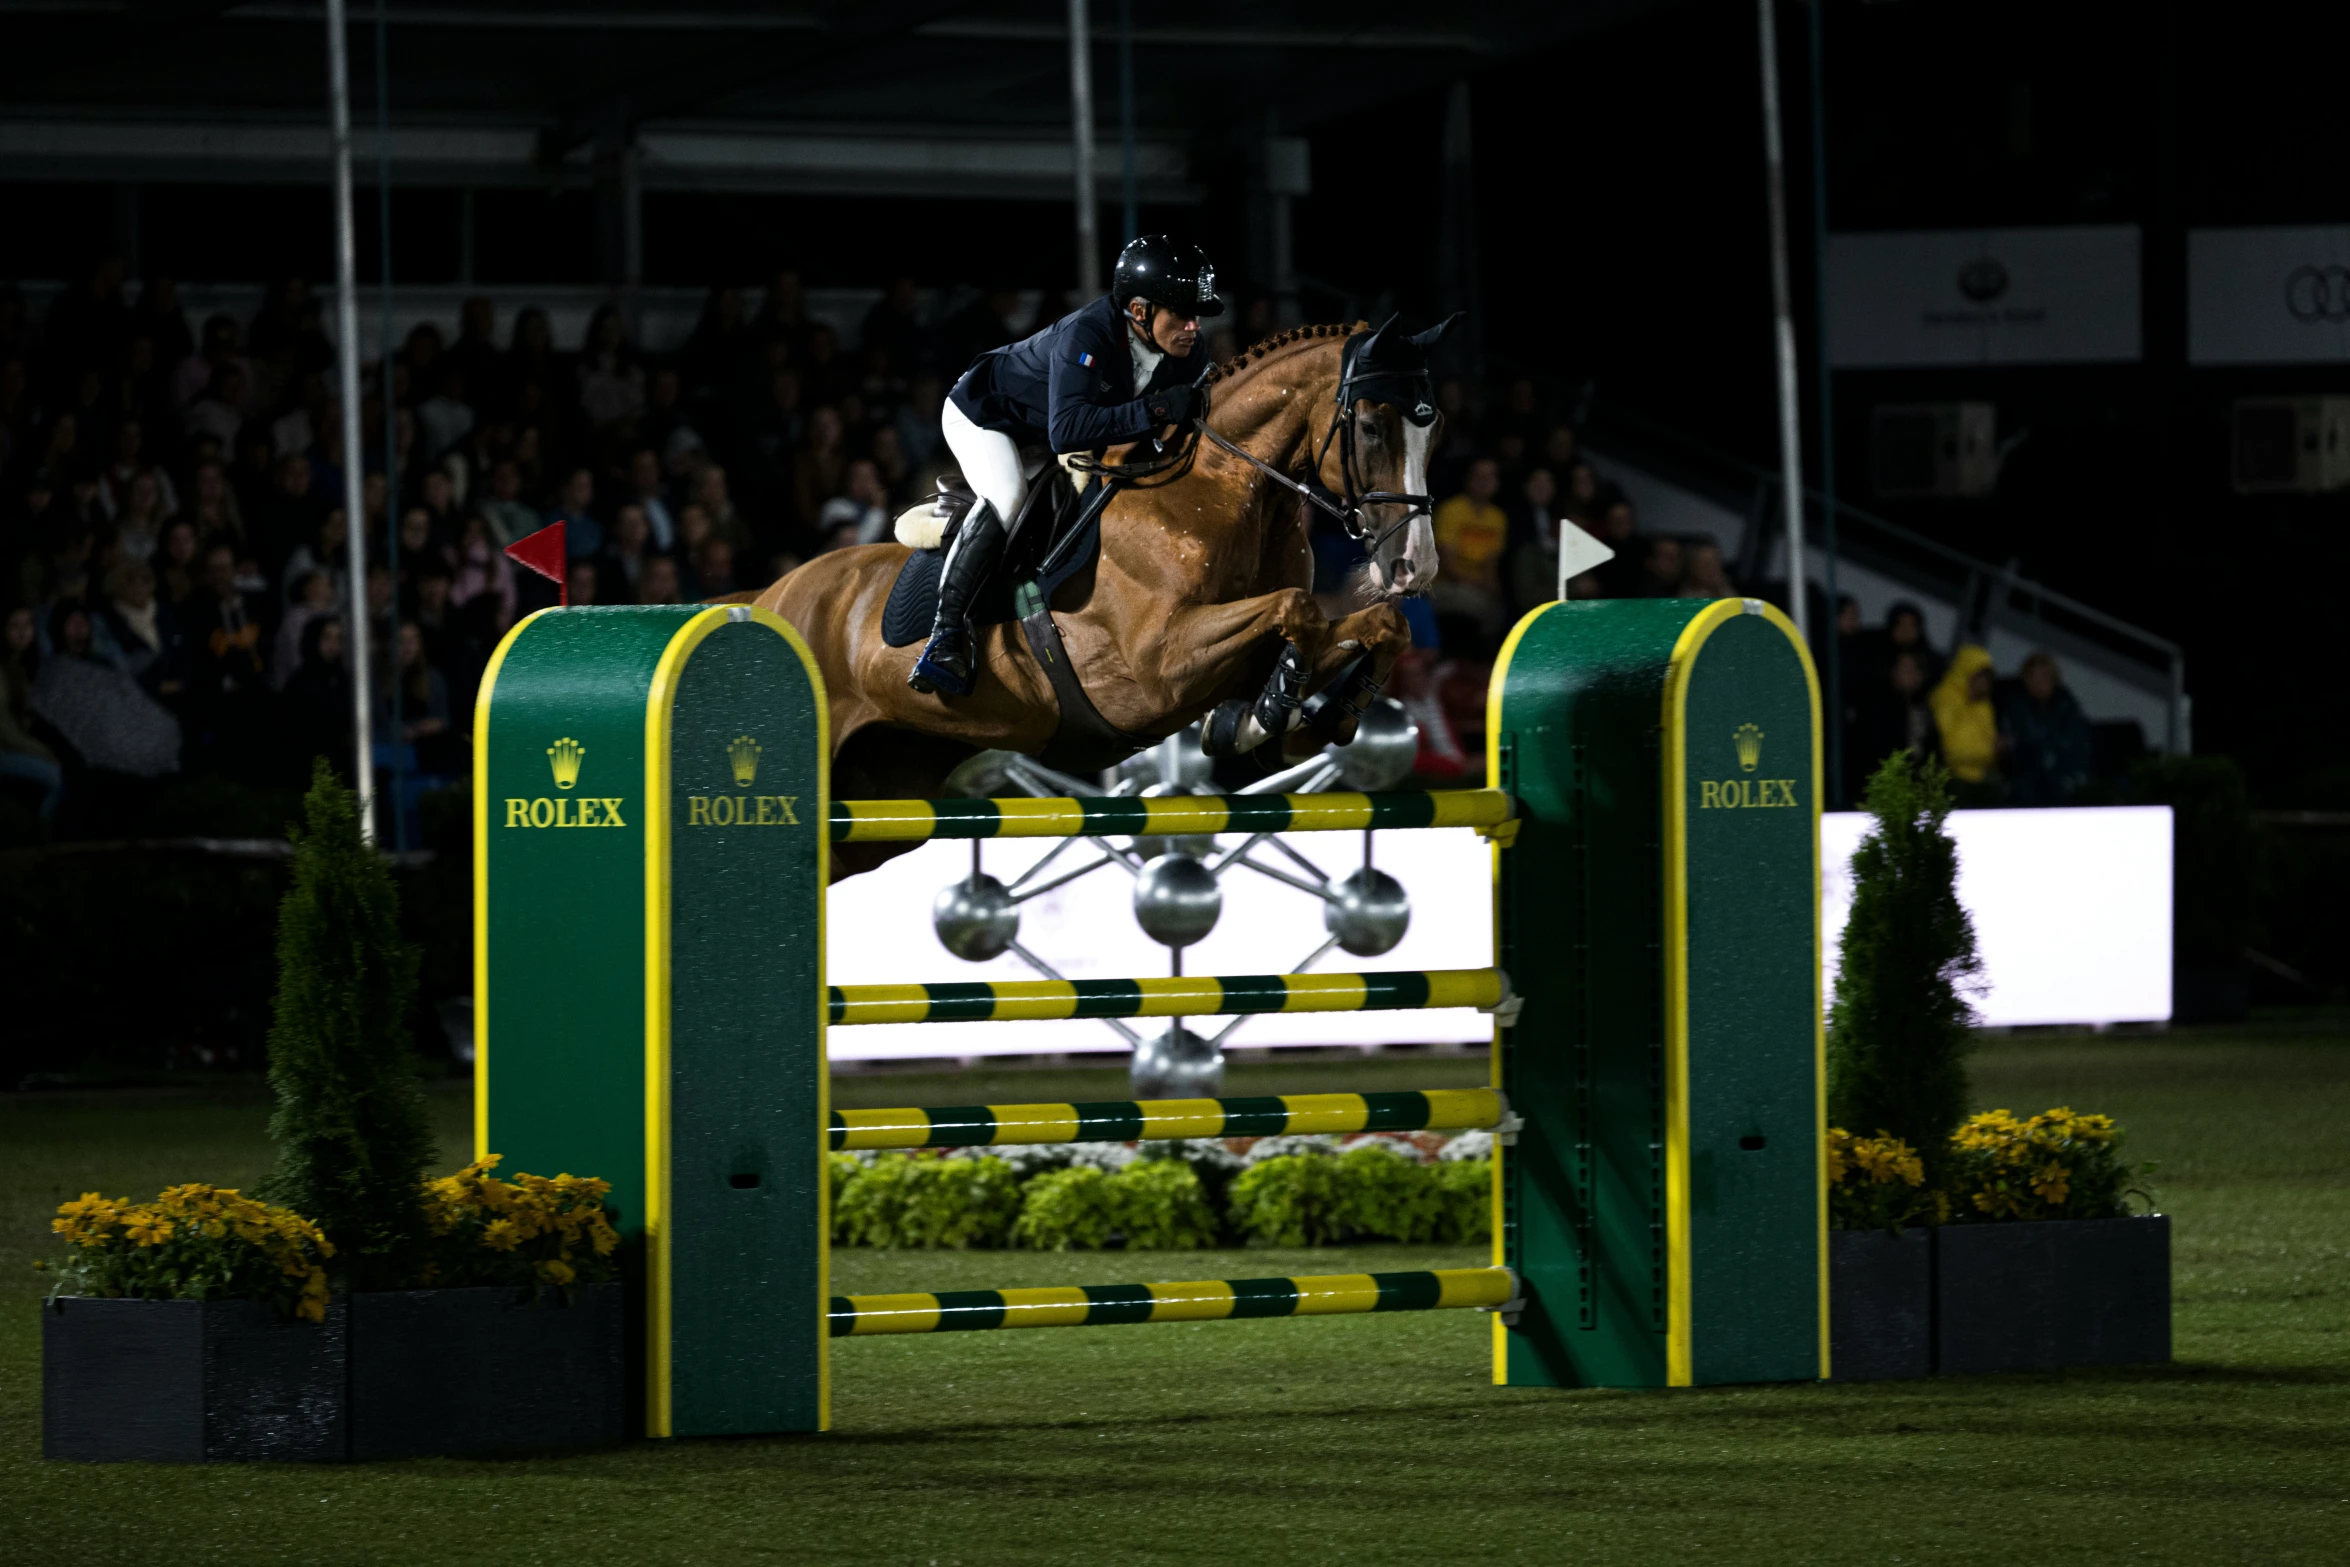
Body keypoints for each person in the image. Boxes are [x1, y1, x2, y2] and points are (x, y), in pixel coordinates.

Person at [914, 234, 1220, 696]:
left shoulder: (1186, 349)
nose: (1193, 326)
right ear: (1139, 311)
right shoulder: (1090, 333)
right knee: (1009, 497)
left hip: (1046, 427)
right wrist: (1157, 411)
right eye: (1180, 313)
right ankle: (945, 636)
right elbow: (1070, 430)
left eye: (1196, 315)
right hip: (988, 416)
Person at [2001, 651, 2094, 806]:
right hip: (2028, 782)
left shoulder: (2068, 708)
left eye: (2044, 676)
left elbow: (2078, 747)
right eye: (2033, 677)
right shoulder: (2016, 708)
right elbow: (2015, 751)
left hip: (2064, 779)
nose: (2039, 683)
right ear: (2025, 680)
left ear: (2053, 679)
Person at [1929, 643, 2004, 802]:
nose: (1984, 683)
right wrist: (1987, 754)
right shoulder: (1945, 697)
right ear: (1967, 673)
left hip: (1977, 778)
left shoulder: (1984, 706)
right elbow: (1951, 750)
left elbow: (1993, 748)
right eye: (1980, 676)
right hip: (1949, 776)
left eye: (1988, 678)